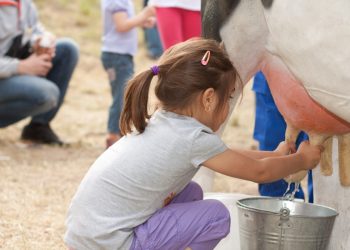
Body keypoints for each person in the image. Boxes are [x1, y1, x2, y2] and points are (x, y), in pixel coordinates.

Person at [65, 38, 322, 250]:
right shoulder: (191, 138)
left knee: (192, 195)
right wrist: (301, 160)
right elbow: (259, 173)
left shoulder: (167, 122)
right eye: (229, 96)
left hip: (89, 236)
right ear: (208, 98)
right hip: (114, 242)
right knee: (216, 215)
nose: (230, 103)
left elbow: (230, 156)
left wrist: (276, 155)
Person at [0, 0, 79, 145]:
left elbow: (35, 29)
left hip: (13, 65)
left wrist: (41, 40)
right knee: (47, 93)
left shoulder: (24, 4)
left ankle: (38, 127)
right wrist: (21, 66)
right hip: (8, 70)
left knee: (68, 50)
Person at [100, 0, 156, 148]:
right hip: (118, 57)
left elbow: (124, 23)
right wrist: (144, 14)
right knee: (122, 96)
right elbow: (121, 26)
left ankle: (116, 132)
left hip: (118, 55)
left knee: (120, 95)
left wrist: (142, 21)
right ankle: (113, 135)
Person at [253, 72, 313, 202]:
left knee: (322, 154)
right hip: (273, 72)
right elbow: (261, 170)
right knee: (276, 186)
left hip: (321, 72)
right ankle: (280, 210)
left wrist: (277, 156)